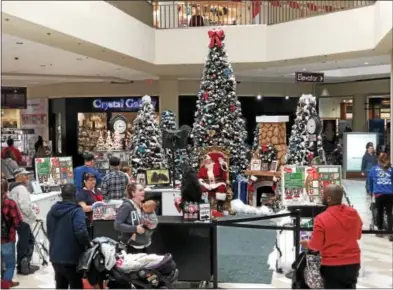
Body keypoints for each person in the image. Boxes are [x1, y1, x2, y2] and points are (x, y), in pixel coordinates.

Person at [300, 185, 362, 289]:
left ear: (329, 198)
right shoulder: (353, 213)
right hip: (353, 262)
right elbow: (358, 235)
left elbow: (316, 245)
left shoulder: (321, 218)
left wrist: (306, 243)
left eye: (323, 194)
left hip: (332, 264)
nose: (321, 196)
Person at [46, 183, 91, 289]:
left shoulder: (51, 211)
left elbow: (49, 233)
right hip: (72, 257)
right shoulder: (77, 211)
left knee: (60, 285)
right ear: (75, 196)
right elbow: (81, 232)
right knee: (76, 285)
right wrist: (88, 245)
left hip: (55, 256)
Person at [8, 168, 38, 275]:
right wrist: (33, 216)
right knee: (28, 241)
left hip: (17, 220)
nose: (28, 177)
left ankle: (21, 265)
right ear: (19, 177)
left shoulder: (12, 189)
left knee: (23, 241)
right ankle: (24, 266)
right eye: (25, 176)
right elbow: (25, 207)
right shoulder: (21, 189)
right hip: (24, 220)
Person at [115, 183, 156, 253]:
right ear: (133, 193)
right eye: (140, 190)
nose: (143, 192)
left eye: (143, 190)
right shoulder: (127, 206)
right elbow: (117, 225)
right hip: (131, 247)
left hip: (144, 245)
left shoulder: (143, 206)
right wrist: (135, 228)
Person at [1, 178, 22, 288]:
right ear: (6, 189)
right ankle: (5, 284)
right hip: (7, 238)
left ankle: (5, 281)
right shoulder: (10, 203)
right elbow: (17, 221)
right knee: (10, 264)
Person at [367, 152, 393, 241]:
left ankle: (380, 231)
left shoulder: (373, 169)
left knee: (380, 212)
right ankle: (390, 232)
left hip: (379, 194)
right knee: (389, 213)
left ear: (379, 159)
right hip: (390, 194)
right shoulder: (391, 169)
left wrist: (370, 191)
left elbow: (370, 181)